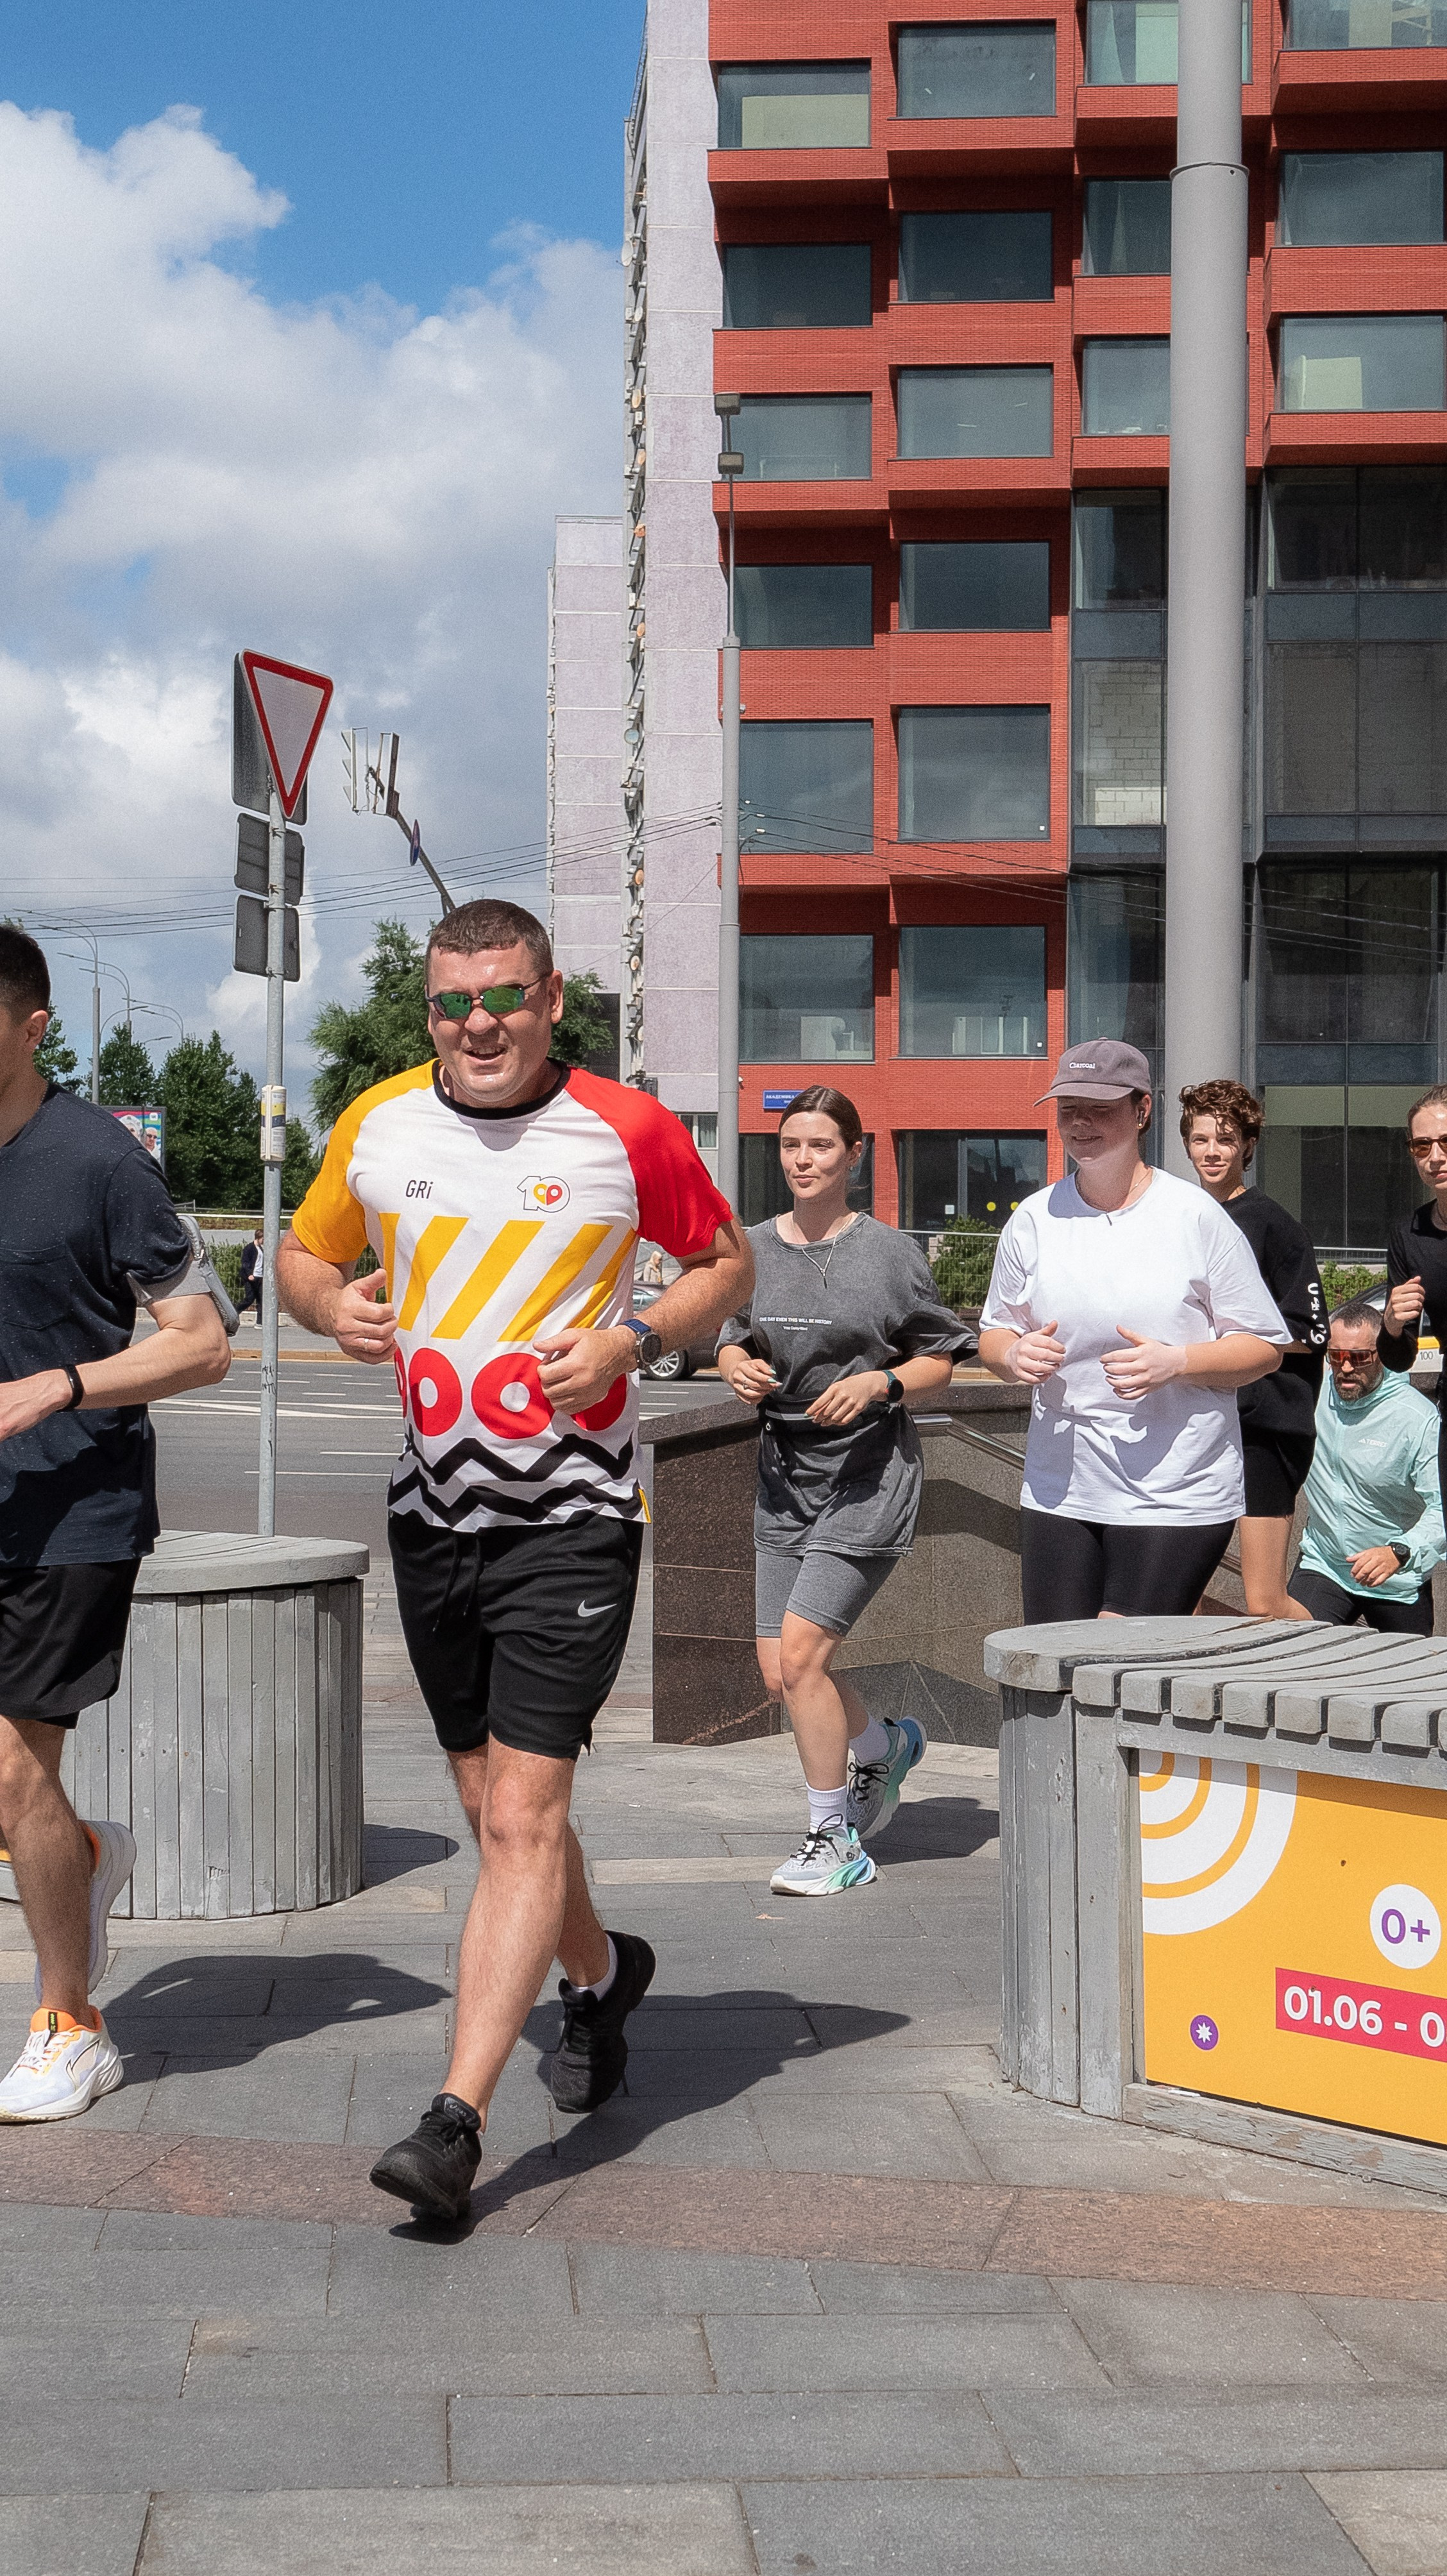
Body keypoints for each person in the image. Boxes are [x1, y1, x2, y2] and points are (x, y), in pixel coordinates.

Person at [276, 899, 751, 2223]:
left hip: (576, 1515)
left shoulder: (626, 1129)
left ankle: (455, 2121)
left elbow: (727, 1262)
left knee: (524, 1817)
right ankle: (598, 1975)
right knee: (496, 1811)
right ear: (428, 1010)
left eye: (503, 997)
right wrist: (336, 1305)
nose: (477, 1023)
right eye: (452, 1002)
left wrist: (637, 1342)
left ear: (551, 997)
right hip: (433, 1516)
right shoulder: (378, 1124)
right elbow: (302, 1258)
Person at [0, 927, 232, 2122]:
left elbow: (203, 1341)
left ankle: (70, 2022)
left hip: (70, 1510)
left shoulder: (98, 1162)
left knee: (10, 1766)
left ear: (33, 1026)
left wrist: (65, 1383)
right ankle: (79, 1857)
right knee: (13, 1793)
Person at [716, 1087, 974, 1897]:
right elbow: (729, 1339)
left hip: (869, 1480)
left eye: (822, 1146)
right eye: (792, 1144)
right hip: (785, 1480)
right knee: (779, 1672)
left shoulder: (890, 1253)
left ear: (853, 1156)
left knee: (801, 1659)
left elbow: (941, 1357)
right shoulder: (752, 1247)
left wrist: (881, 1385)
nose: (803, 1159)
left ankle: (835, 1839)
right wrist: (736, 1368)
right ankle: (884, 1749)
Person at [978, 1040, 1292, 1622]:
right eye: (1068, 1106)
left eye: (1099, 1107)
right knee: (1052, 1661)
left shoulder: (1195, 1217)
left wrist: (1178, 1363)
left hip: (1175, 1489)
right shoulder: (1034, 1220)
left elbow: (1265, 1348)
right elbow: (994, 1334)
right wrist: (1014, 1355)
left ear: (1142, 1109)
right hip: (1061, 1485)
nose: (1081, 1123)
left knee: (1116, 1656)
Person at [1180, 1078, 1328, 1618]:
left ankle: (1322, 1669)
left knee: (1264, 1600)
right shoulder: (1179, 1218)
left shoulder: (1276, 1226)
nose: (1212, 1151)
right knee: (1177, 1597)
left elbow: (1311, 1332)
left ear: (1248, 1144)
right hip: (1195, 1424)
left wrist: (1229, 1342)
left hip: (1265, 1427)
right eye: (1200, 1140)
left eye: (1225, 1138)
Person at [1289, 1296, 1444, 1633]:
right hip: (1324, 1565)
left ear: (1383, 1355)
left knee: (1402, 1682)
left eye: (1359, 1357)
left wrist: (1401, 1551)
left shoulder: (1418, 1419)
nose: (1346, 1368)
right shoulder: (1311, 1395)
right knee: (1291, 1658)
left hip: (1395, 1576)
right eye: (1336, 1356)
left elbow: (1442, 1507)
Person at [1381, 1083, 1447, 1525]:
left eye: (1446, 1142)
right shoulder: (1410, 1236)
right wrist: (1390, 1324)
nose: (1435, 1157)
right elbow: (1400, 1358)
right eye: (1422, 1145)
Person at [238, 1226, 266, 1323]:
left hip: (260, 1277)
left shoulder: (261, 1249)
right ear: (258, 1238)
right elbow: (245, 1262)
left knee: (261, 1300)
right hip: (251, 1278)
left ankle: (260, 1322)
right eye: (263, 1239)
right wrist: (250, 1274)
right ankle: (235, 1311)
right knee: (249, 1299)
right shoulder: (249, 1248)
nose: (264, 1241)